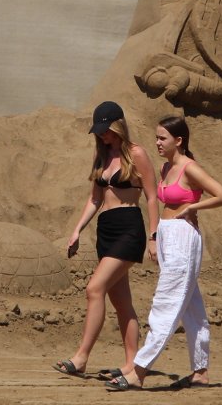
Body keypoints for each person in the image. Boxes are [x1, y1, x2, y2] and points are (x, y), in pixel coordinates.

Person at [105, 116, 222, 391]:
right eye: (156, 138)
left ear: (179, 140)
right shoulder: (166, 167)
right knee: (191, 306)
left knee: (166, 303)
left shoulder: (190, 168)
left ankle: (138, 370)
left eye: (162, 138)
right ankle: (200, 371)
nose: (158, 143)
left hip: (183, 237)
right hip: (167, 235)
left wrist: (192, 208)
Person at [53, 101, 159, 379]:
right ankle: (131, 365)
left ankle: (81, 357)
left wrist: (154, 236)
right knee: (122, 302)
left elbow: (151, 196)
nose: (102, 136)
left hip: (129, 228)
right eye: (99, 131)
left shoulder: (137, 154)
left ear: (118, 126)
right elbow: (95, 199)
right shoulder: (101, 155)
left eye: (106, 130)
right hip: (106, 229)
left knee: (94, 289)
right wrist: (77, 230)